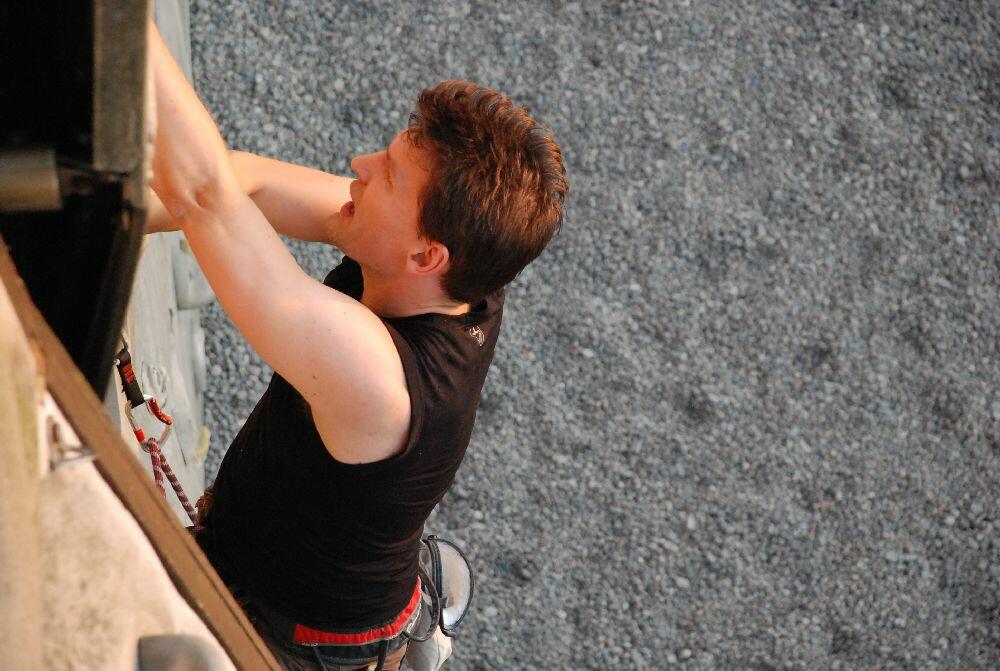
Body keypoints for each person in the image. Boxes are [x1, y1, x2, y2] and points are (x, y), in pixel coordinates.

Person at [147, 17, 566, 671]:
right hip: (273, 563)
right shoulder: (458, 274)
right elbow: (246, 182)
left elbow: (206, 197)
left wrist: (123, 27)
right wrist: (104, 211)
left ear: (425, 255)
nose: (359, 166)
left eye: (388, 176)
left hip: (283, 637)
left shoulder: (379, 380)